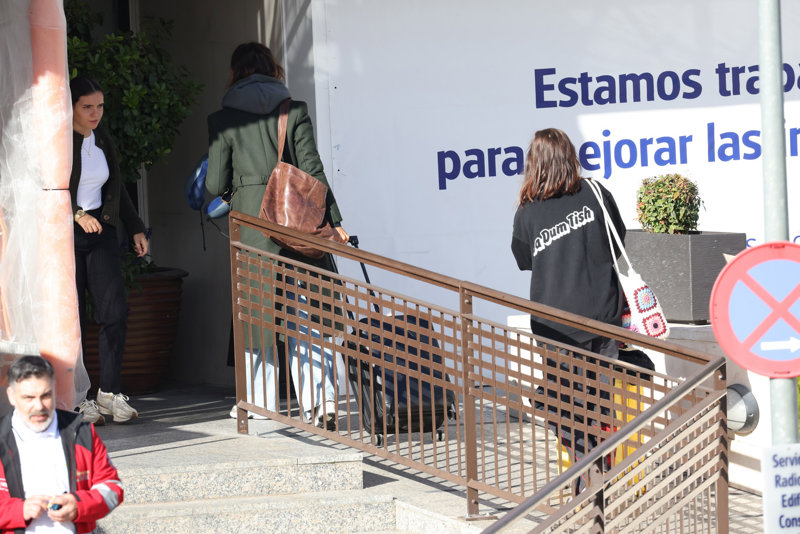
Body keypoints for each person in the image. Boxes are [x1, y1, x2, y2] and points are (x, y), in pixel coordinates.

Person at [206, 42, 348, 429]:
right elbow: (313, 171)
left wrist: (239, 188)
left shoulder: (222, 120)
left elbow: (215, 183)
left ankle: (259, 404)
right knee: (310, 312)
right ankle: (322, 402)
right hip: (299, 224)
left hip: (253, 228)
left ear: (234, 73)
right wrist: (334, 221)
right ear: (273, 69)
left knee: (257, 317)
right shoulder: (293, 110)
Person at [510, 127, 626, 493]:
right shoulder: (595, 193)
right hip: (602, 317)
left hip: (556, 326)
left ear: (534, 164)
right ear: (570, 157)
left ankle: (586, 479)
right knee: (598, 406)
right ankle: (595, 480)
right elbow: (618, 241)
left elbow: (523, 260)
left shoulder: (528, 212)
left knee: (565, 406)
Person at [70, 76, 148, 424]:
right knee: (72, 319)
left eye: (100, 106)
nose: (95, 113)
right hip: (66, 236)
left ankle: (109, 393)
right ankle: (77, 396)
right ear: (71, 106)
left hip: (101, 233)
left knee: (114, 312)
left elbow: (116, 187)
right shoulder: (60, 141)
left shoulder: (102, 138)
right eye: (87, 106)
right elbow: (47, 187)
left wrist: (136, 227)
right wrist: (77, 214)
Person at [0, 355, 123, 533]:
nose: (39, 406)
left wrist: (79, 505)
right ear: (11, 396)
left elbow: (112, 487)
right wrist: (18, 510)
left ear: (55, 390)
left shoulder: (82, 433)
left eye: (46, 395)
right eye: (29, 398)